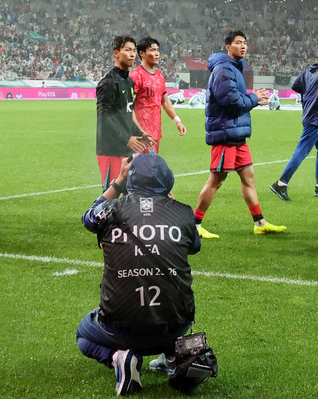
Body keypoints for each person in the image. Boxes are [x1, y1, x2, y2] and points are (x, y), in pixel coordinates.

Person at [77, 154, 215, 395]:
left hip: (119, 327)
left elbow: (88, 217)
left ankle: (119, 358)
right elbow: (194, 247)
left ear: (131, 180)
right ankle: (174, 357)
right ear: (168, 180)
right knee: (170, 291)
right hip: (175, 326)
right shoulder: (184, 213)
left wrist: (118, 182)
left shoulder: (111, 209)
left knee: (83, 336)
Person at [192, 31, 283, 237]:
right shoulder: (224, 69)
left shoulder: (235, 68)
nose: (243, 46)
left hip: (236, 133)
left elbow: (238, 101)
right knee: (216, 180)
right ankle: (194, 225)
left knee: (249, 178)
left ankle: (260, 223)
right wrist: (254, 98)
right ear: (228, 47)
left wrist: (254, 100)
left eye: (245, 43)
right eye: (238, 43)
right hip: (225, 134)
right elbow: (232, 102)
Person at [271, 48, 318, 201]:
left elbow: (295, 86)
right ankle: (281, 183)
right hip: (316, 117)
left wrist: (310, 93)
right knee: (302, 151)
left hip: (311, 116)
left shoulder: (309, 69)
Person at [94, 36, 150, 190]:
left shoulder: (128, 81)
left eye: (133, 51)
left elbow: (128, 112)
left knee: (129, 193)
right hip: (111, 149)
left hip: (126, 147)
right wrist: (127, 138)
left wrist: (140, 133)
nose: (132, 54)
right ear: (116, 53)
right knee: (111, 195)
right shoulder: (108, 82)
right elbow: (104, 118)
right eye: (127, 50)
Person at [131, 37, 187, 153]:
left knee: (151, 168)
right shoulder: (136, 75)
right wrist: (138, 130)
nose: (157, 54)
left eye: (157, 50)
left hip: (155, 132)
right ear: (142, 53)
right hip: (140, 134)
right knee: (138, 168)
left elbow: (165, 102)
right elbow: (128, 105)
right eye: (152, 50)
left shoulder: (159, 76)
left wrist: (177, 121)